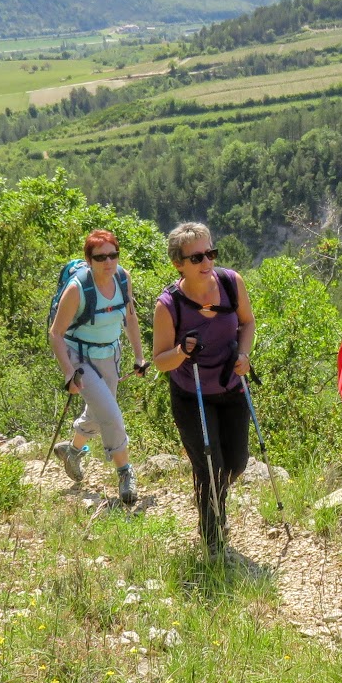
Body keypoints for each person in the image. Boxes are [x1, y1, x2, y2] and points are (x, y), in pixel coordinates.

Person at [150, 222, 255, 559]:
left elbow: (247, 322)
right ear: (178, 263)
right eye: (196, 257)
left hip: (230, 386)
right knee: (210, 468)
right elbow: (160, 361)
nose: (206, 261)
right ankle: (213, 540)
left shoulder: (230, 282)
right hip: (191, 393)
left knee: (236, 462)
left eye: (210, 252)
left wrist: (243, 354)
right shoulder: (168, 305)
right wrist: (182, 350)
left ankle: (212, 506)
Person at [49, 229, 147, 504]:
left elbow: (130, 316)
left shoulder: (122, 278)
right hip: (80, 359)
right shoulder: (77, 288)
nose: (108, 261)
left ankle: (72, 451)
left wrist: (139, 357)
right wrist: (69, 373)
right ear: (89, 260)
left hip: (110, 355)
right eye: (100, 256)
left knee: (99, 409)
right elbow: (55, 334)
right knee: (112, 415)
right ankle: (125, 473)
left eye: (113, 254)